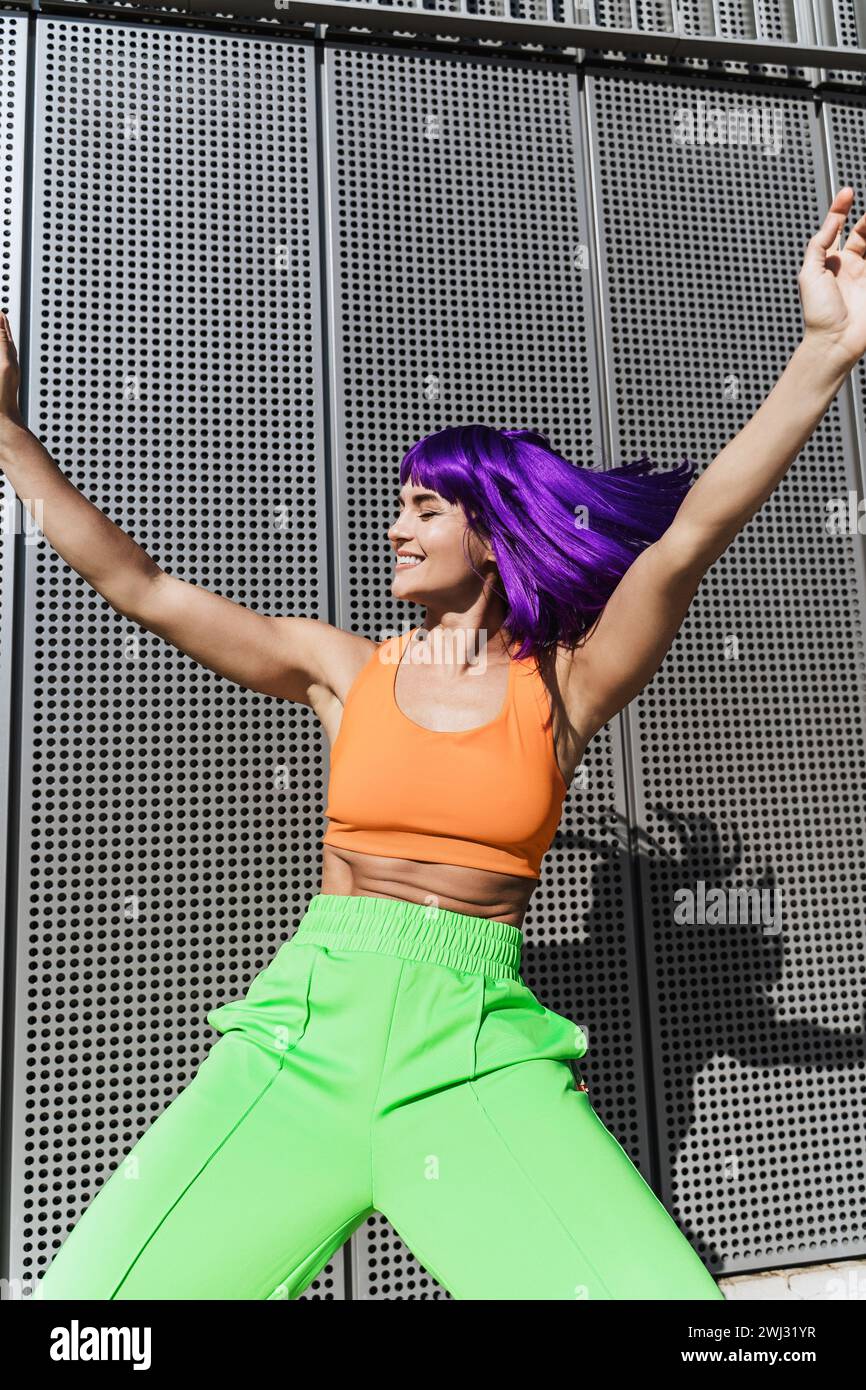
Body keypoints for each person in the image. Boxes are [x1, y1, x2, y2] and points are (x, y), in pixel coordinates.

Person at [3, 186, 864, 1300]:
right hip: (301, 1037)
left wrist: (825, 351)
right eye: (396, 505)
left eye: (421, 506)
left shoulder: (566, 688)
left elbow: (691, 530)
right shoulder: (342, 669)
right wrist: (9, 431)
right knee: (95, 1313)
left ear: (491, 531)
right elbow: (145, 584)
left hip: (473, 1054)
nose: (395, 526)